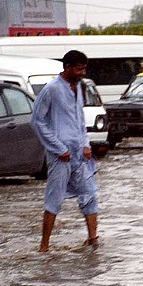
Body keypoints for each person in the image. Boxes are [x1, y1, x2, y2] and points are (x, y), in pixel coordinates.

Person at [31, 49, 99, 252]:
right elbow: (37, 121)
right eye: (78, 69)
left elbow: (79, 121)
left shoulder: (80, 88)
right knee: (54, 199)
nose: (82, 73)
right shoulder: (52, 89)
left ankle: (93, 239)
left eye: (84, 69)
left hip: (80, 152)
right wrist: (58, 148)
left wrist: (86, 144)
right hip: (60, 155)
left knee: (90, 194)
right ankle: (44, 247)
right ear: (67, 67)